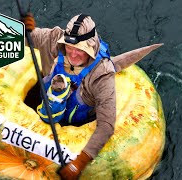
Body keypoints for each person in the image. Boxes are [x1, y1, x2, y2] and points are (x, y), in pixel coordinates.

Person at [21, 13, 116, 179]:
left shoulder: (102, 74)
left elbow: (106, 125)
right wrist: (23, 29)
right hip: (46, 105)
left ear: (91, 46)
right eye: (69, 47)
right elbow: (27, 38)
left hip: (77, 123)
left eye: (80, 50)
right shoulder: (54, 39)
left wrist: (79, 163)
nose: (72, 55)